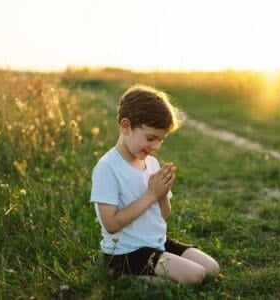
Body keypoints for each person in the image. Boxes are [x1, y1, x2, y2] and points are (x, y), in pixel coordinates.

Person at [90, 84, 220, 285]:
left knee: (211, 269)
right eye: (151, 138)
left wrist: (162, 194)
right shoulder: (107, 168)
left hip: (157, 242)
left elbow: (163, 214)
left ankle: (158, 270)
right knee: (194, 277)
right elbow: (111, 224)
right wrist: (151, 194)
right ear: (126, 126)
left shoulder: (151, 163)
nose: (156, 146)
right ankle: (119, 274)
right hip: (127, 252)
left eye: (161, 140)